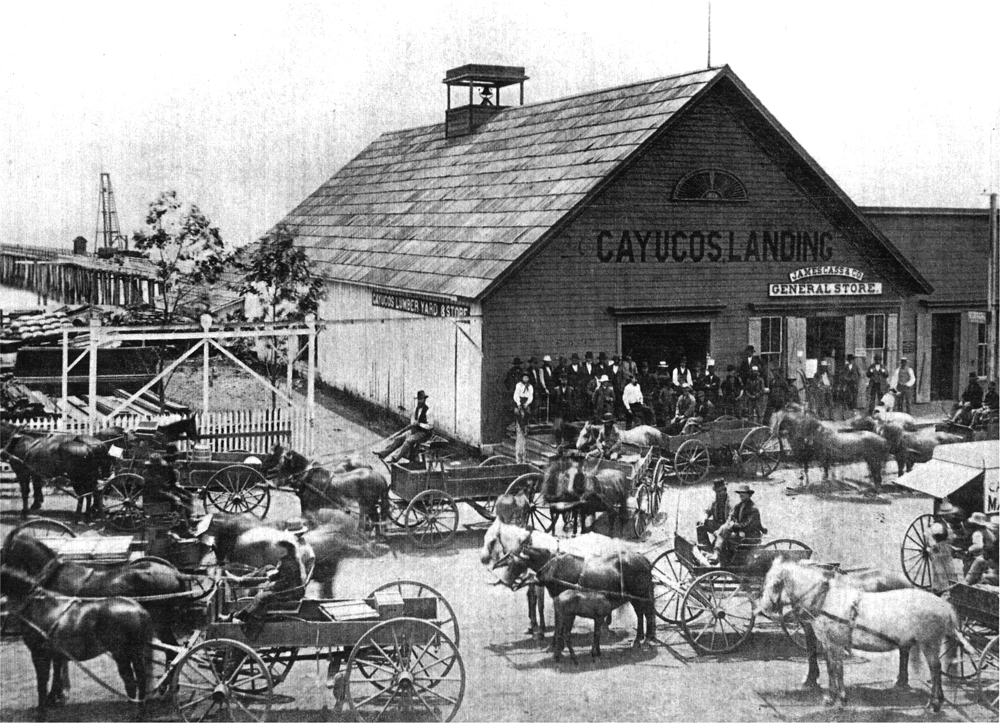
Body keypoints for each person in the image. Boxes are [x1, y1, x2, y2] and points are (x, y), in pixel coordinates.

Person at [234, 539, 306, 633]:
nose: (276, 551)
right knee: (261, 592)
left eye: (279, 549)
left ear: (285, 550)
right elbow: (281, 574)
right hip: (288, 589)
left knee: (261, 597)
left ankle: (243, 620)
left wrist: (273, 585)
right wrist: (271, 578)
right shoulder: (285, 560)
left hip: (290, 592)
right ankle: (239, 615)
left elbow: (286, 582)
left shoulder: (289, 563)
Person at [711, 483, 766, 565]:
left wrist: (734, 526)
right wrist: (731, 524)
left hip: (750, 535)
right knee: (724, 530)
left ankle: (718, 555)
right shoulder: (738, 506)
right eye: (740, 493)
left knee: (724, 533)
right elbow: (731, 517)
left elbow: (747, 525)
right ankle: (722, 558)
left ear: (749, 495)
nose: (741, 495)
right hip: (741, 533)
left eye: (743, 494)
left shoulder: (753, 509)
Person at [375, 390, 433, 463]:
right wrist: (413, 422)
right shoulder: (416, 408)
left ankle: (394, 458)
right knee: (398, 438)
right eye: (419, 399)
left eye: (421, 399)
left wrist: (419, 424)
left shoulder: (428, 411)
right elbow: (412, 419)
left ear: (424, 399)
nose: (420, 401)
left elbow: (430, 426)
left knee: (408, 441)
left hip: (424, 433)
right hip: (415, 430)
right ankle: (383, 453)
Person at [964, 513, 999, 586]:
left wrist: (969, 550)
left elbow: (979, 546)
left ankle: (966, 584)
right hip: (992, 558)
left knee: (977, 565)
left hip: (987, 558)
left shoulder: (977, 533)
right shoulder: (988, 532)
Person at [696, 478, 731, 549]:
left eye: (720, 492)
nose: (718, 494)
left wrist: (720, 530)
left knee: (721, 535)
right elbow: (707, 511)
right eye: (716, 492)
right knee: (699, 524)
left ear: (724, 490)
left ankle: (716, 549)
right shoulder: (715, 502)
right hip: (717, 524)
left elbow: (730, 520)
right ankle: (705, 547)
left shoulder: (730, 503)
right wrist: (703, 518)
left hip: (727, 527)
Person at [926, 522, 959, 595]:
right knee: (947, 568)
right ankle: (947, 586)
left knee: (939, 568)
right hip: (942, 549)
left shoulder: (935, 545)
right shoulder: (946, 542)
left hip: (938, 550)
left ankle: (941, 587)